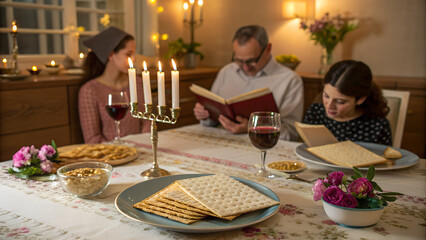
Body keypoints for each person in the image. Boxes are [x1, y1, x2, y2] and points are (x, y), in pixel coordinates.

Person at [193, 25, 304, 140]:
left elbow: (292, 133)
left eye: (251, 61)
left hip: (264, 146)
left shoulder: (290, 80)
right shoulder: (227, 72)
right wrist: (205, 115)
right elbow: (212, 120)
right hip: (222, 140)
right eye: (239, 61)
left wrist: (254, 129)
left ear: (268, 49)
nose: (245, 67)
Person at [79, 27, 150, 143]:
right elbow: (92, 139)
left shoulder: (137, 82)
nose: (134, 59)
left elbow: (147, 120)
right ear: (111, 55)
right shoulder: (89, 90)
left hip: (140, 149)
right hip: (111, 156)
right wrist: (118, 152)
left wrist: (143, 144)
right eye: (128, 54)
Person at [303, 60, 392, 145]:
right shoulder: (315, 112)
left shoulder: (377, 126)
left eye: (340, 101)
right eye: (326, 96)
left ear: (360, 99)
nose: (329, 106)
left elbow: (386, 159)